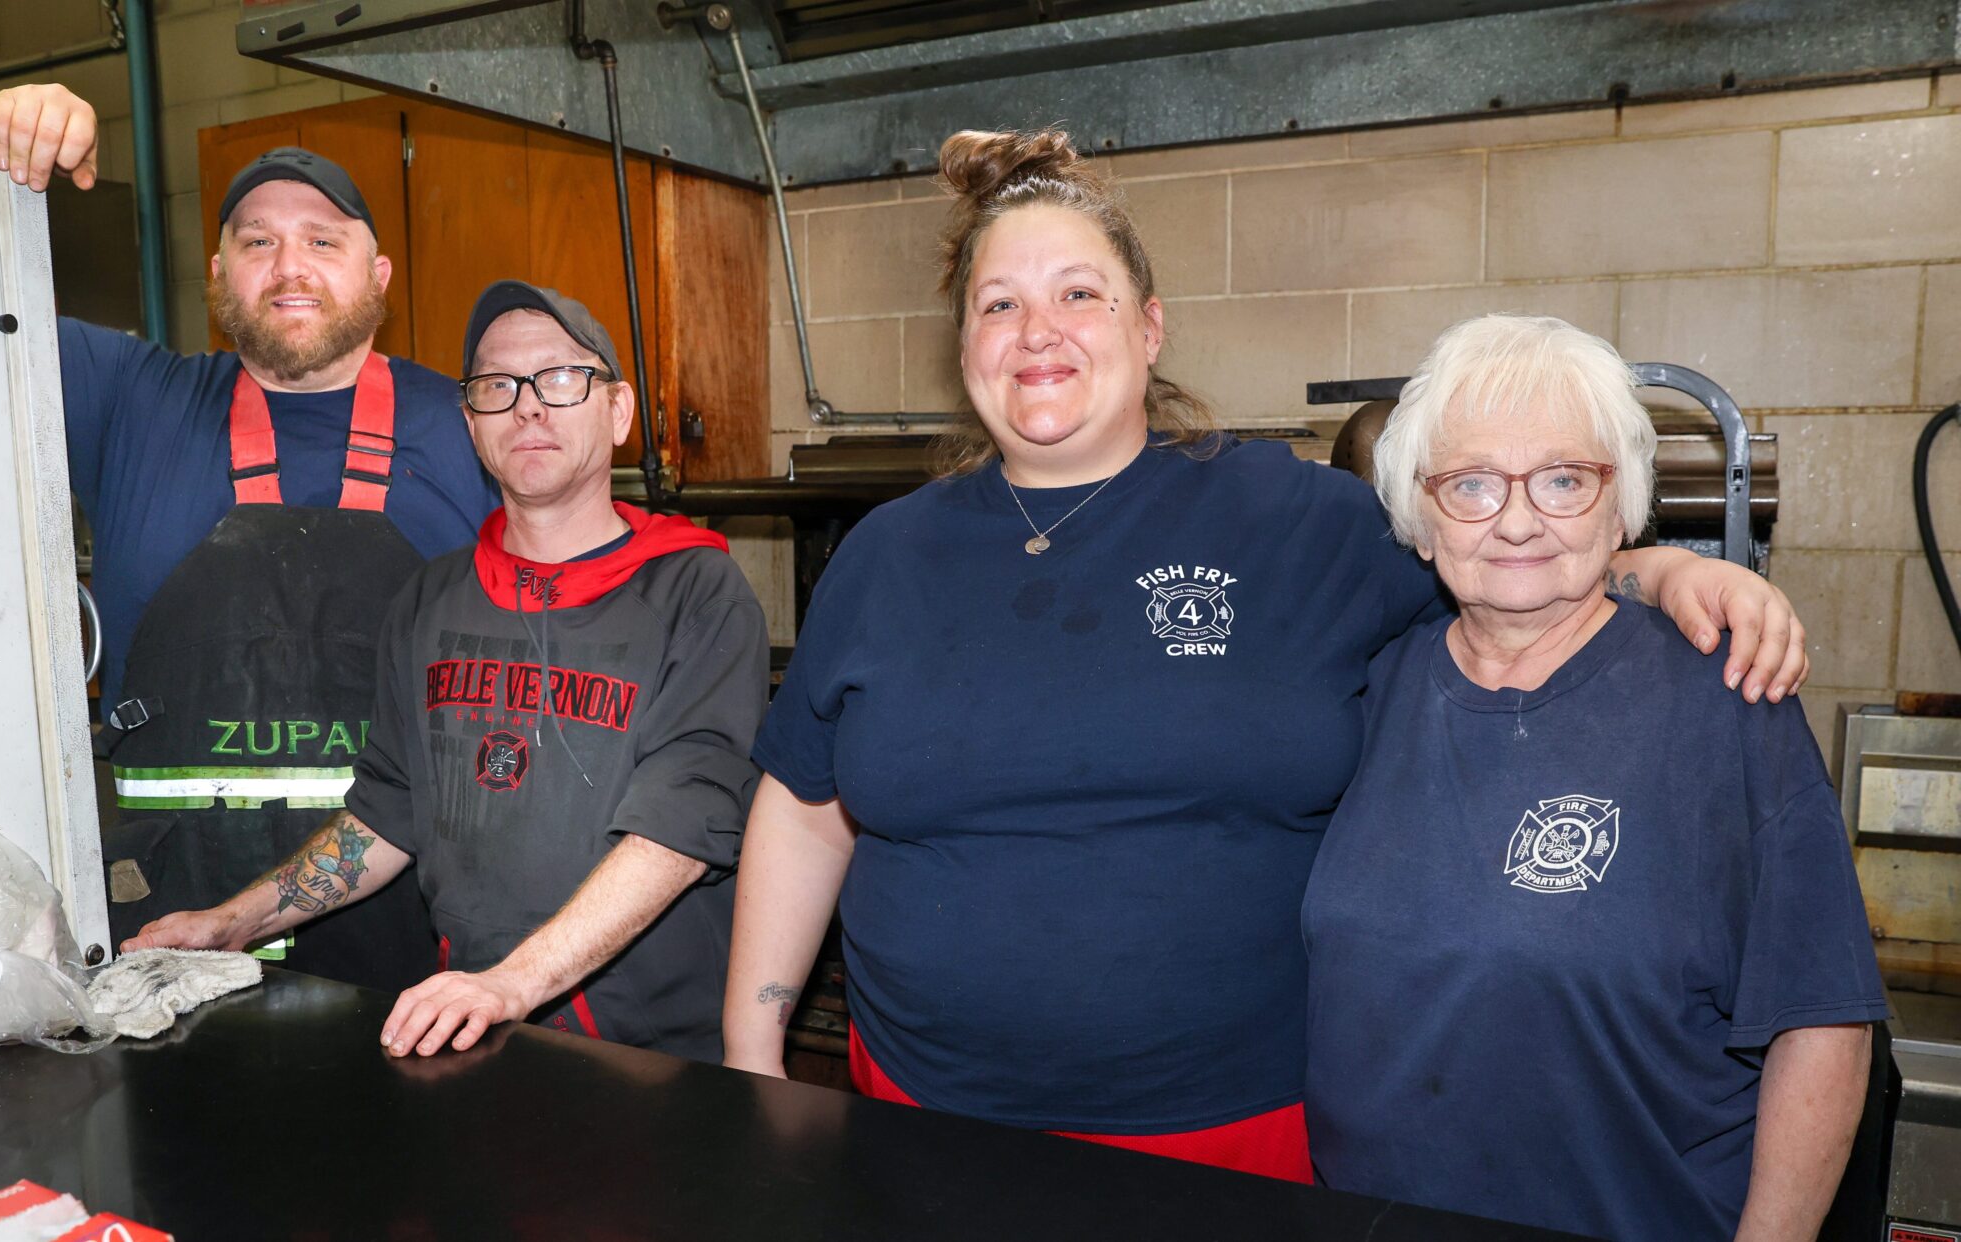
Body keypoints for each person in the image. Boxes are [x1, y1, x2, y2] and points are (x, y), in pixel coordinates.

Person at [720, 128, 1814, 1181]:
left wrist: (1659, 570)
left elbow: (1496, 554)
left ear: (1148, 329)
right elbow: (806, 808)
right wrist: (750, 1055)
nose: (1035, 330)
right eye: (997, 304)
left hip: (1241, 1126)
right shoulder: (884, 557)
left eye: (1077, 295)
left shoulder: (1298, 521)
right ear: (964, 347)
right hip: (925, 1114)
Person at [1300, 314, 1884, 1240]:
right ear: (1419, 517)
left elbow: (1822, 1024)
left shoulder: (1727, 697)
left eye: (1566, 479)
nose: (1520, 518)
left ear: (1622, 507)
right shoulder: (1368, 687)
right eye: (1473, 484)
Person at [127, 282, 768, 1062]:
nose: (528, 407)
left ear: (619, 410)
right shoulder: (431, 598)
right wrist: (239, 920)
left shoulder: (695, 590)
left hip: (654, 1053)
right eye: (497, 387)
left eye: (561, 379)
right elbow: (388, 814)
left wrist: (513, 981)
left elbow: (681, 825)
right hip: (473, 1029)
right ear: (471, 425)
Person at [0, 84, 498, 994]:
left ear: (380, 276)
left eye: (323, 240)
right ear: (217, 275)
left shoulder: (479, 425)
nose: (288, 265)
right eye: (256, 241)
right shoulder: (131, 400)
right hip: (165, 942)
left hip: (420, 944)